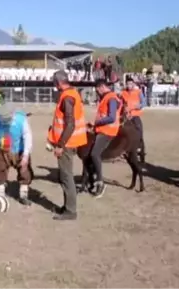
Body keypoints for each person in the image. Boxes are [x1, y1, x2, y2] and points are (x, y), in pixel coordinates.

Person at [47, 70, 88, 220]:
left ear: (58, 82)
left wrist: (60, 145)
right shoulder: (72, 94)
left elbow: (70, 124)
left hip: (67, 144)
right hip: (71, 142)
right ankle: (68, 206)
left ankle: (71, 211)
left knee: (66, 176)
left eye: (54, 83)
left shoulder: (67, 97)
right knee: (65, 175)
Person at [0, 103, 33, 206]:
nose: (4, 122)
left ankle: (23, 195)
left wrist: (25, 155)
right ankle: (0, 195)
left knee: (25, 171)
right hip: (2, 149)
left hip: (19, 149)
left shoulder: (21, 119)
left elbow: (27, 135)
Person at [88, 79, 122, 197]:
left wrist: (97, 122)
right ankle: (90, 179)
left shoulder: (111, 98)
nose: (97, 93)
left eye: (97, 90)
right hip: (102, 129)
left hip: (108, 131)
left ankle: (100, 182)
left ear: (102, 87)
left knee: (94, 154)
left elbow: (111, 117)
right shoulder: (107, 97)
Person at [121, 77, 146, 160]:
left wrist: (134, 107)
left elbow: (143, 103)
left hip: (135, 116)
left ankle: (141, 151)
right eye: (128, 84)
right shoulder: (123, 93)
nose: (129, 85)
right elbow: (121, 104)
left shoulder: (138, 92)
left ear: (133, 84)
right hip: (126, 117)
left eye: (131, 84)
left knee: (139, 132)